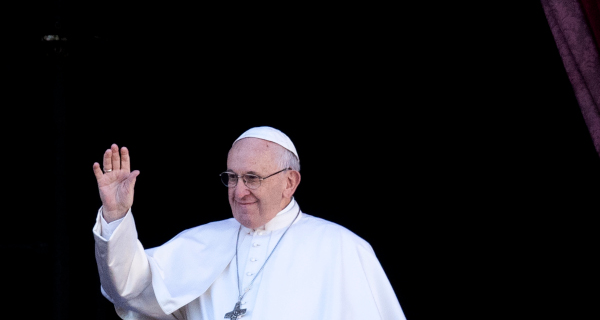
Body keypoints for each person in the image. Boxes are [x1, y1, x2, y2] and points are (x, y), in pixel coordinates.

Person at [92, 126, 406, 319]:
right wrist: (117, 214)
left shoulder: (343, 249)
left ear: (289, 182)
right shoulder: (201, 242)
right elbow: (128, 288)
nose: (239, 191)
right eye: (232, 177)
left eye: (252, 178)